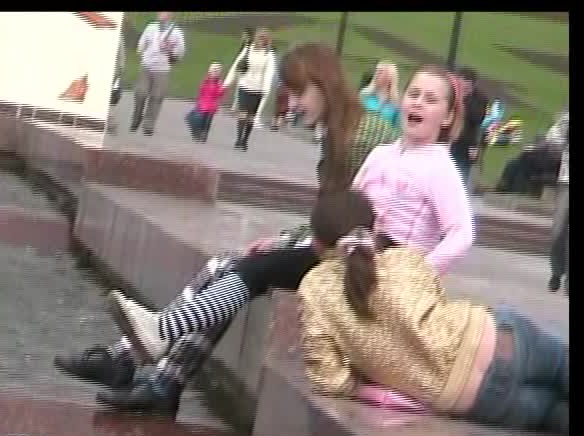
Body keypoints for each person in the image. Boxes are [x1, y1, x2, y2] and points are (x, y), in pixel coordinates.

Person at [74, 58, 472, 415]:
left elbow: (462, 233)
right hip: (346, 255)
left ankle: (156, 341)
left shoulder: (438, 168)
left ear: (448, 117)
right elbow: (346, 210)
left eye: (431, 100)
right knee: (247, 268)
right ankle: (159, 360)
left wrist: (419, 272)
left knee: (250, 269)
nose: (418, 103)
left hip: (383, 273)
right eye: (413, 94)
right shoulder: (382, 154)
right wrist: (290, 239)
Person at [298, 190, 568, 435]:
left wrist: (369, 384)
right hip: (499, 336)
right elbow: (438, 302)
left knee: (554, 415)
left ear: (317, 242)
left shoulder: (314, 288)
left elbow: (329, 379)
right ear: (375, 226)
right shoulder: (403, 258)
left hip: (474, 398)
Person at [130, 12, 186, 136]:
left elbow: (180, 52)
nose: (161, 14)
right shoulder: (151, 27)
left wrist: (171, 49)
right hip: (146, 66)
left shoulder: (177, 32)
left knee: (156, 97)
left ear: (171, 14)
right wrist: (141, 51)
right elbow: (141, 44)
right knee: (140, 93)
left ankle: (148, 125)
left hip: (162, 69)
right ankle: (137, 117)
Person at [223, 27, 277, 151]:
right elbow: (236, 65)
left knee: (251, 116)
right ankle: (238, 139)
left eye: (264, 39)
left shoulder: (269, 55)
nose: (261, 41)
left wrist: (266, 89)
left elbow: (269, 73)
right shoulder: (248, 49)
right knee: (243, 113)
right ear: (256, 38)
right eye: (260, 38)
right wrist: (227, 83)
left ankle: (245, 140)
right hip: (245, 85)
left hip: (258, 89)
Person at [450, 68, 488, 190]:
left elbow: (478, 118)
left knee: (461, 175)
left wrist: (463, 101)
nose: (462, 87)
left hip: (466, 143)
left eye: (465, 85)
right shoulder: (451, 93)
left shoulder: (480, 99)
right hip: (448, 140)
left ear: (471, 84)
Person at [548, 109, 569, 294]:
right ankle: (557, 271)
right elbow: (554, 135)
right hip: (566, 180)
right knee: (558, 230)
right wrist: (560, 146)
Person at [189, 61, 227, 142]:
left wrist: (222, 89)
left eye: (217, 71)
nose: (215, 73)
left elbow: (220, 94)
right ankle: (198, 133)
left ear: (219, 73)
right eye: (213, 71)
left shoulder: (219, 83)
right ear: (210, 71)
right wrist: (198, 102)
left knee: (208, 121)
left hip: (212, 105)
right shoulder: (206, 80)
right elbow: (201, 91)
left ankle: (204, 134)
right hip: (203, 104)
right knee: (201, 120)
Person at [359, 60, 400, 127]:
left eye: (381, 71)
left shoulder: (395, 103)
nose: (376, 74)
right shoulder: (365, 94)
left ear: (389, 76)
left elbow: (396, 127)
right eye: (376, 70)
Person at [230, 27, 254, 114]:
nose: (243, 36)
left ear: (248, 35)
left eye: (244, 34)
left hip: (246, 70)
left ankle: (238, 107)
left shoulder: (250, 45)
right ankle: (235, 106)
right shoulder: (245, 44)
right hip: (241, 68)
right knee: (238, 87)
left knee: (242, 88)